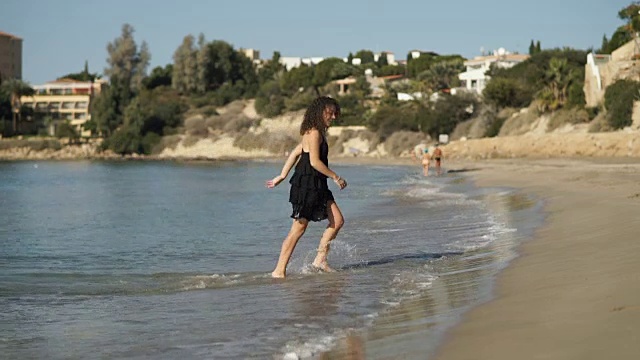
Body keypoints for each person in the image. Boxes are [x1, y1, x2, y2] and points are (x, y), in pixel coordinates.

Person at [266, 96, 347, 278]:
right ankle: (279, 271)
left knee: (337, 221)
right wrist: (336, 176)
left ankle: (320, 260)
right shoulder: (314, 133)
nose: (334, 117)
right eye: (330, 113)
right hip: (307, 185)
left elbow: (296, 152)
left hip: (317, 184)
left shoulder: (316, 131)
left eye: (335, 113)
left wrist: (282, 175)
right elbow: (314, 162)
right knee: (298, 229)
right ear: (320, 113)